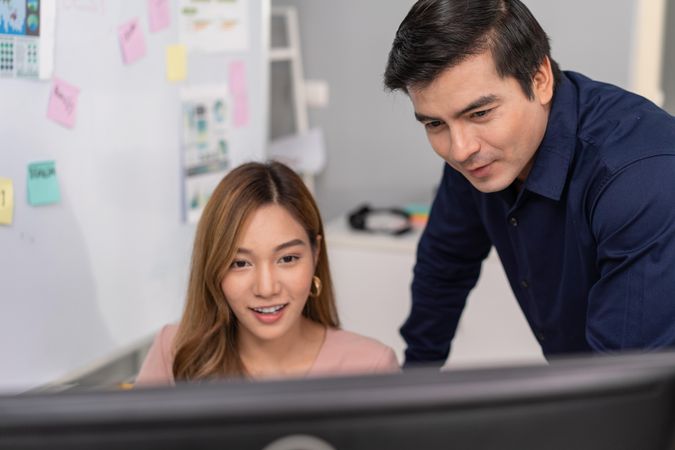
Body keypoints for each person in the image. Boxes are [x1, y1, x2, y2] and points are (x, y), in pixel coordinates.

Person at [384, 0, 675, 366]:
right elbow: (445, 264)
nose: (460, 150)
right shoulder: (480, 156)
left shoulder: (640, 179)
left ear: (539, 80)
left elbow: (625, 381)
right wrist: (414, 383)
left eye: (480, 113)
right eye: (434, 124)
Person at [136, 161, 399, 385]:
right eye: (240, 263)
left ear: (315, 254)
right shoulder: (174, 351)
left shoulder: (370, 367)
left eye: (287, 258)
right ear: (214, 267)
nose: (266, 288)